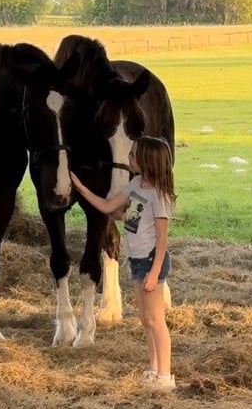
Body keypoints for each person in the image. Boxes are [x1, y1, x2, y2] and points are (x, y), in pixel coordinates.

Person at [70, 135, 177, 391]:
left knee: (156, 320)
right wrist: (83, 190)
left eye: (132, 155)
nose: (128, 159)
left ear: (146, 161)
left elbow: (162, 239)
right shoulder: (136, 185)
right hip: (137, 261)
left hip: (152, 262)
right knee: (144, 318)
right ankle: (153, 368)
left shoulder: (158, 196)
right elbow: (109, 206)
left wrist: (153, 273)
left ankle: (165, 376)